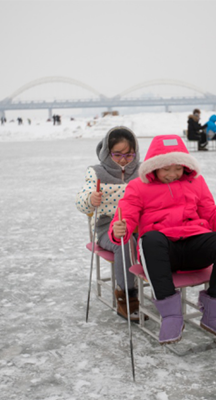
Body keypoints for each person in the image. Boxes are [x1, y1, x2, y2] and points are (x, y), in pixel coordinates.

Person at [110, 134, 216, 344]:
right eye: (166, 168)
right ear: (153, 167)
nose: (173, 174)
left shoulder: (196, 182)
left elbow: (212, 216)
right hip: (163, 252)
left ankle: (215, 314)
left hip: (195, 246)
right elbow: (125, 217)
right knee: (150, 239)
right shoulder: (138, 187)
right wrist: (119, 229)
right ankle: (171, 315)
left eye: (178, 168)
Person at [76, 126, 142, 321]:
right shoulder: (96, 173)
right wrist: (90, 199)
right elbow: (80, 200)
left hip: (138, 224)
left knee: (157, 240)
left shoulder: (142, 171)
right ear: (107, 153)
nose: (123, 159)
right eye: (117, 154)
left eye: (129, 155)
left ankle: (162, 292)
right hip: (108, 228)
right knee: (125, 242)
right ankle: (126, 296)